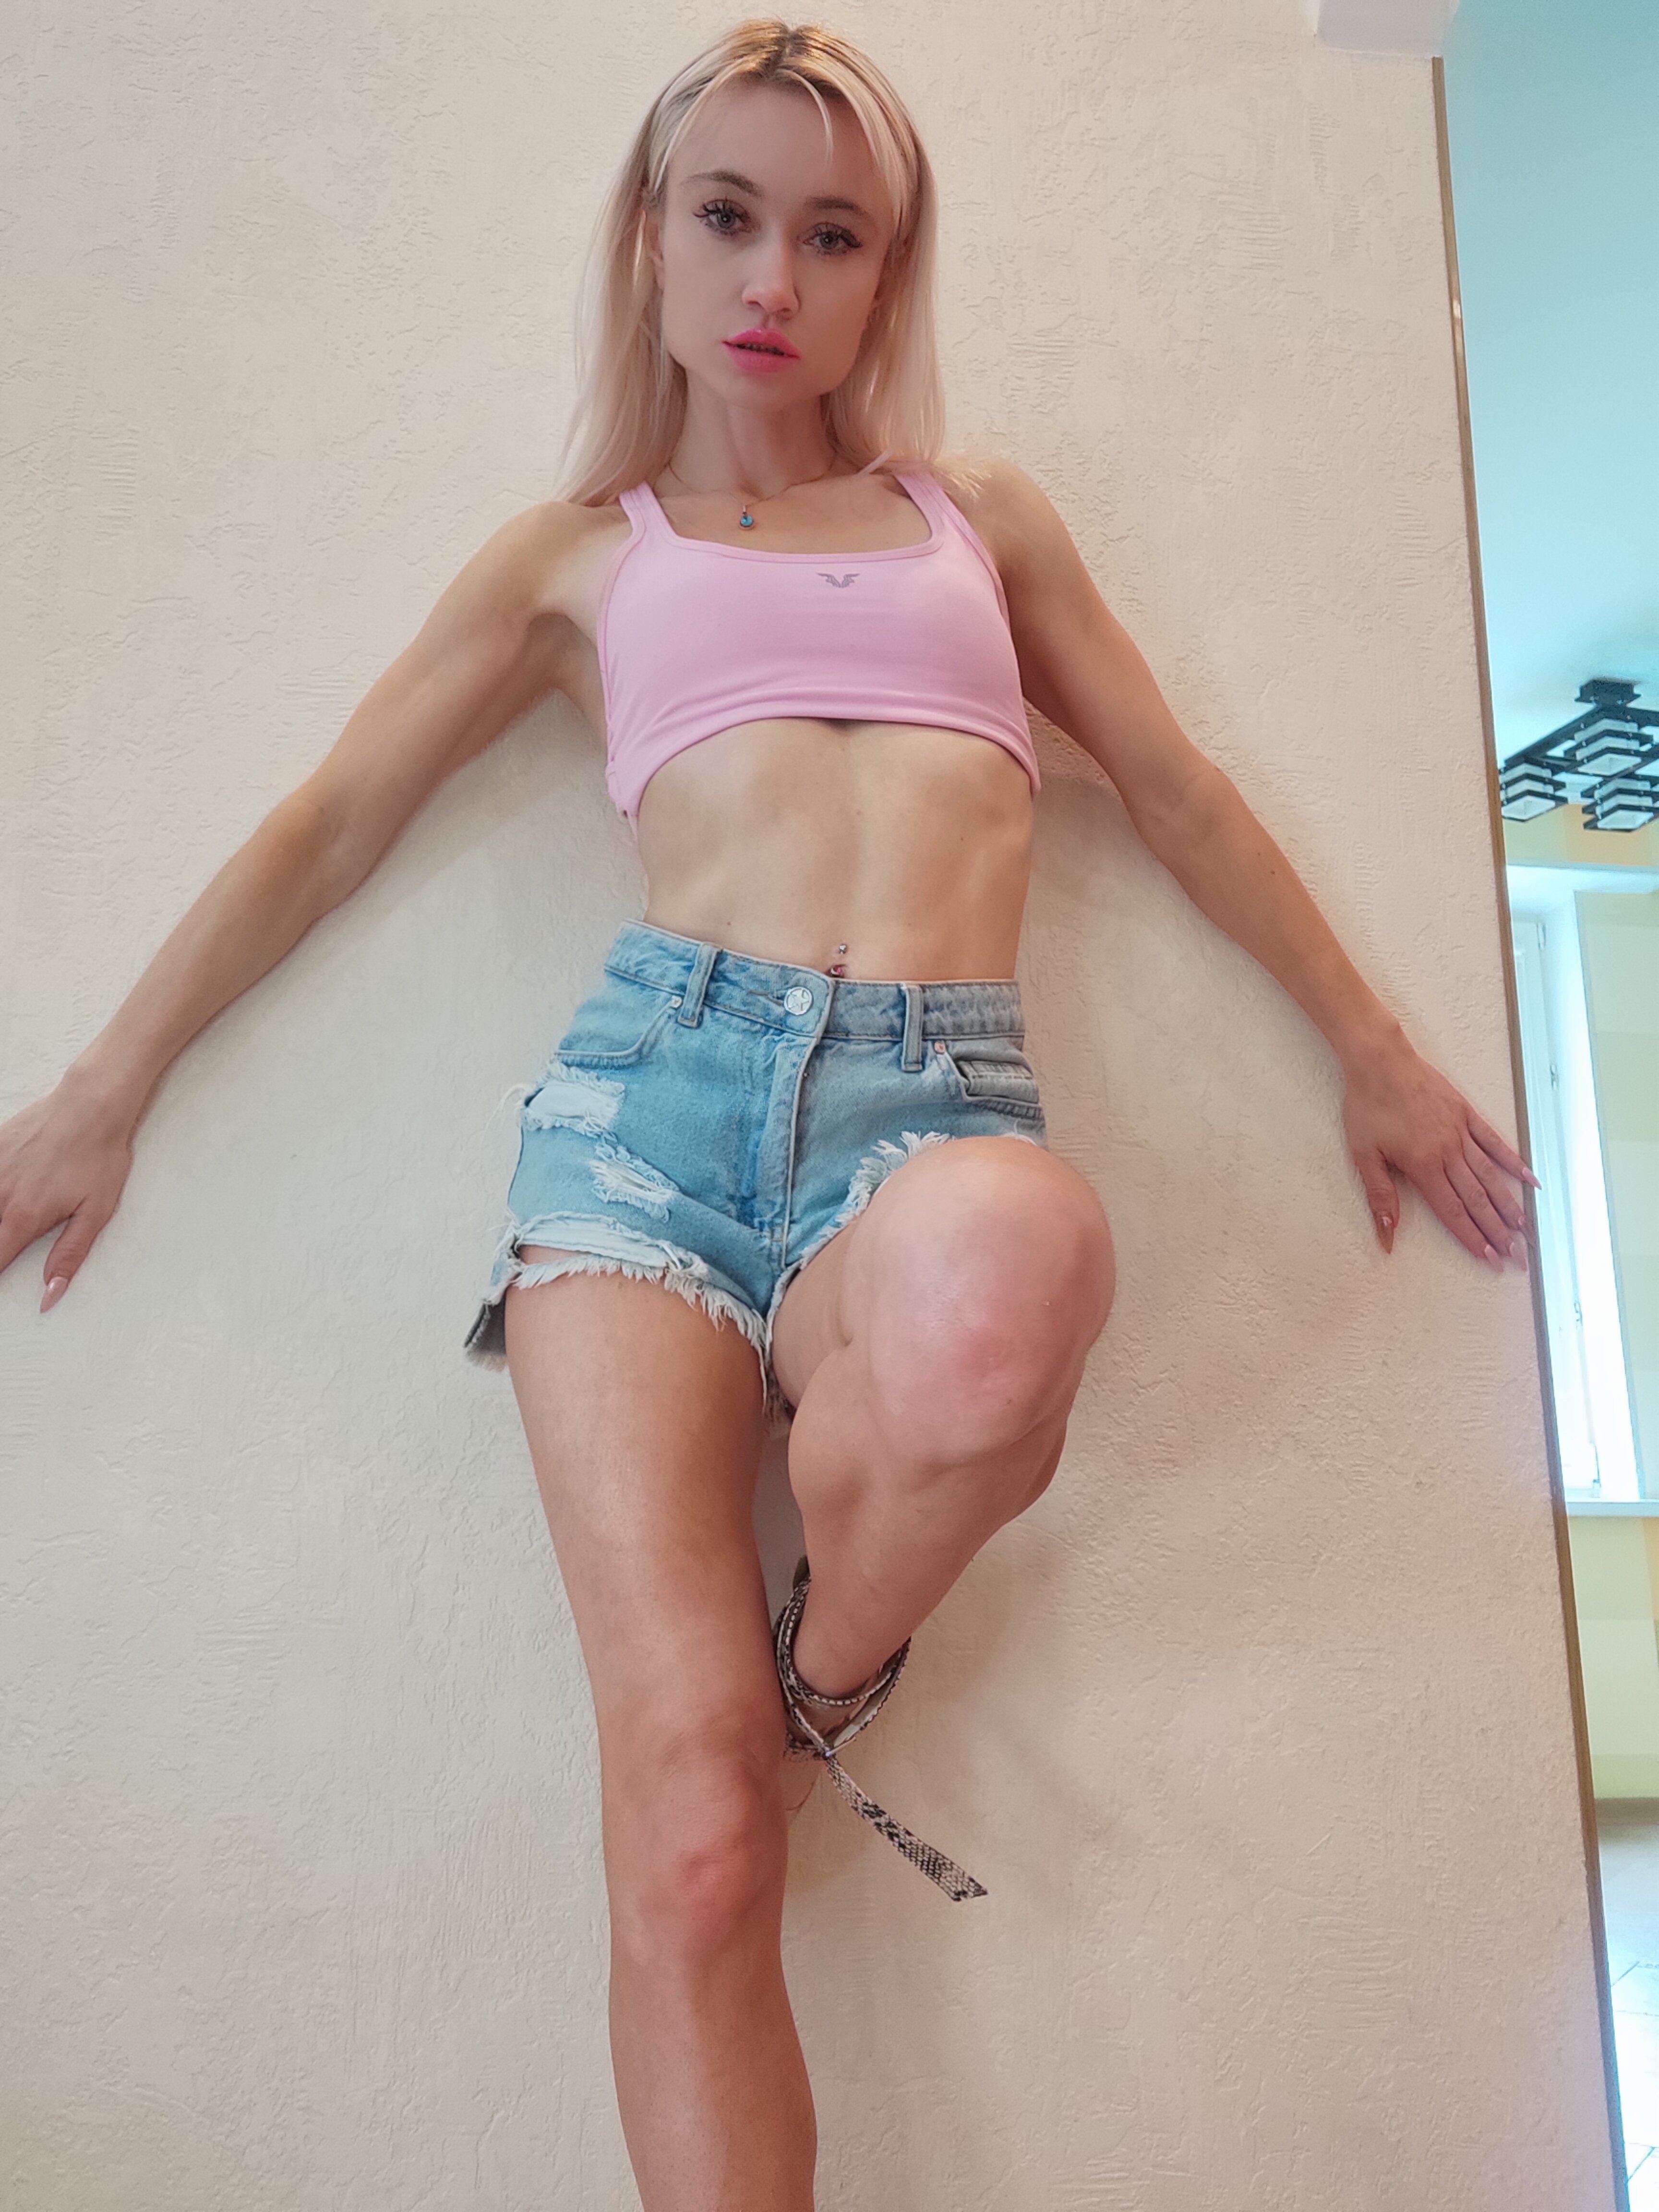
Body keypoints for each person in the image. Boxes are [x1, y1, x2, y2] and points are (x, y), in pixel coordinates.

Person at [0, 20, 1536, 2211]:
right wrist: (99, 1090)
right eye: (726, 215)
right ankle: (756, 1761)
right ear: (650, 237)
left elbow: (1179, 793)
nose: (771, 278)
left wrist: (1371, 1049)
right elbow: (330, 821)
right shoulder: (573, 561)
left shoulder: (975, 524)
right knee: (693, 1834)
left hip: (931, 1106)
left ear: (886, 273)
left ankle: (822, 1682)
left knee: (1023, 1276)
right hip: (646, 1124)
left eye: (833, 235)